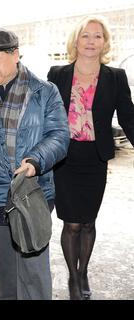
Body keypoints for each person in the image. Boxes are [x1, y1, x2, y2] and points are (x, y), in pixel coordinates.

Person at [0, 28, 70, 300]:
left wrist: (36, 160)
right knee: (6, 270)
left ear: (15, 54)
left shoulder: (44, 91)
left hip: (32, 191)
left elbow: (59, 135)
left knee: (34, 269)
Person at [47, 16, 134, 300]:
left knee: (88, 222)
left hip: (95, 158)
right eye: (85, 36)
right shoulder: (57, 74)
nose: (91, 41)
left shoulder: (116, 77)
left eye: (97, 36)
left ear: (105, 42)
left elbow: (128, 117)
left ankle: (83, 271)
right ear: (76, 40)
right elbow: (43, 115)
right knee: (71, 223)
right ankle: (73, 277)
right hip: (64, 157)